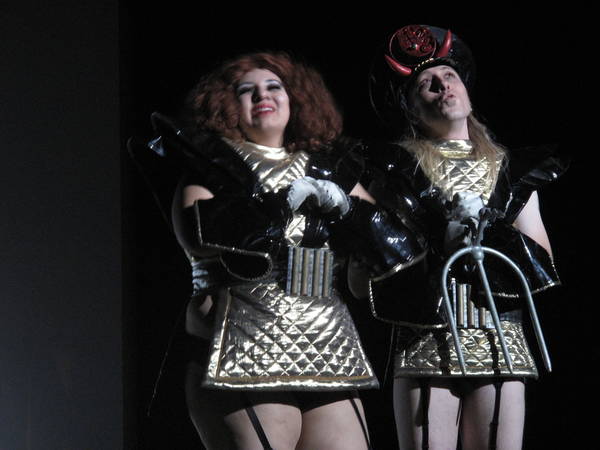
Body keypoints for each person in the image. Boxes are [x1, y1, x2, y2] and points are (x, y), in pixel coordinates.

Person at [130, 51, 422, 450]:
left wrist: (349, 209)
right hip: (243, 342)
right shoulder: (209, 169)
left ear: (294, 98)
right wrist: (282, 203)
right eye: (245, 90)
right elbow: (201, 236)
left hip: (326, 344)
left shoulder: (330, 169)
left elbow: (394, 249)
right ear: (225, 105)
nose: (262, 95)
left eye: (273, 86)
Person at [365, 25, 568, 450]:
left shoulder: (511, 172)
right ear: (411, 109)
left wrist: (490, 235)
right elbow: (370, 269)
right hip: (425, 337)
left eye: (449, 76)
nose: (442, 86)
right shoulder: (394, 174)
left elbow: (541, 263)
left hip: (500, 338)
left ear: (468, 92)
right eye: (427, 83)